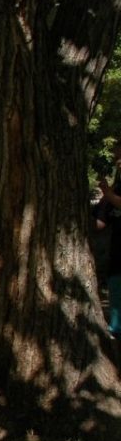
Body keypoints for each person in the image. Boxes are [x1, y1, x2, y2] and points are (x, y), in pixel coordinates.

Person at [95, 143, 121, 337]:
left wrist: (108, 193)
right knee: (114, 281)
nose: (117, 161)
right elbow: (100, 223)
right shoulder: (118, 183)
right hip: (116, 244)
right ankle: (116, 326)